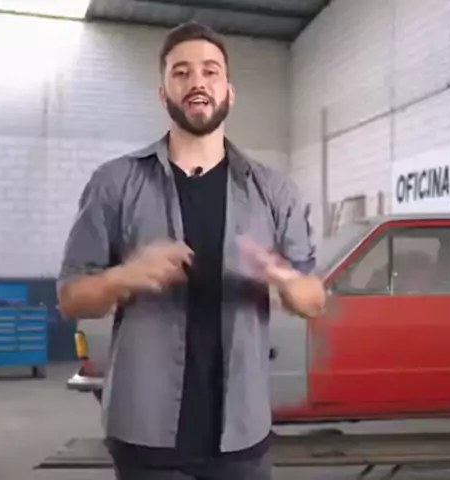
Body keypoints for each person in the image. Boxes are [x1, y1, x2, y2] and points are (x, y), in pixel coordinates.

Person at [56, 21, 326, 480]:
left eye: (210, 71)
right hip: (145, 433)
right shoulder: (115, 183)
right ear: (163, 93)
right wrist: (123, 276)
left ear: (229, 92)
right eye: (180, 72)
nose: (197, 81)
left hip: (241, 434)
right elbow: (71, 299)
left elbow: (313, 301)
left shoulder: (273, 190)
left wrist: (283, 277)